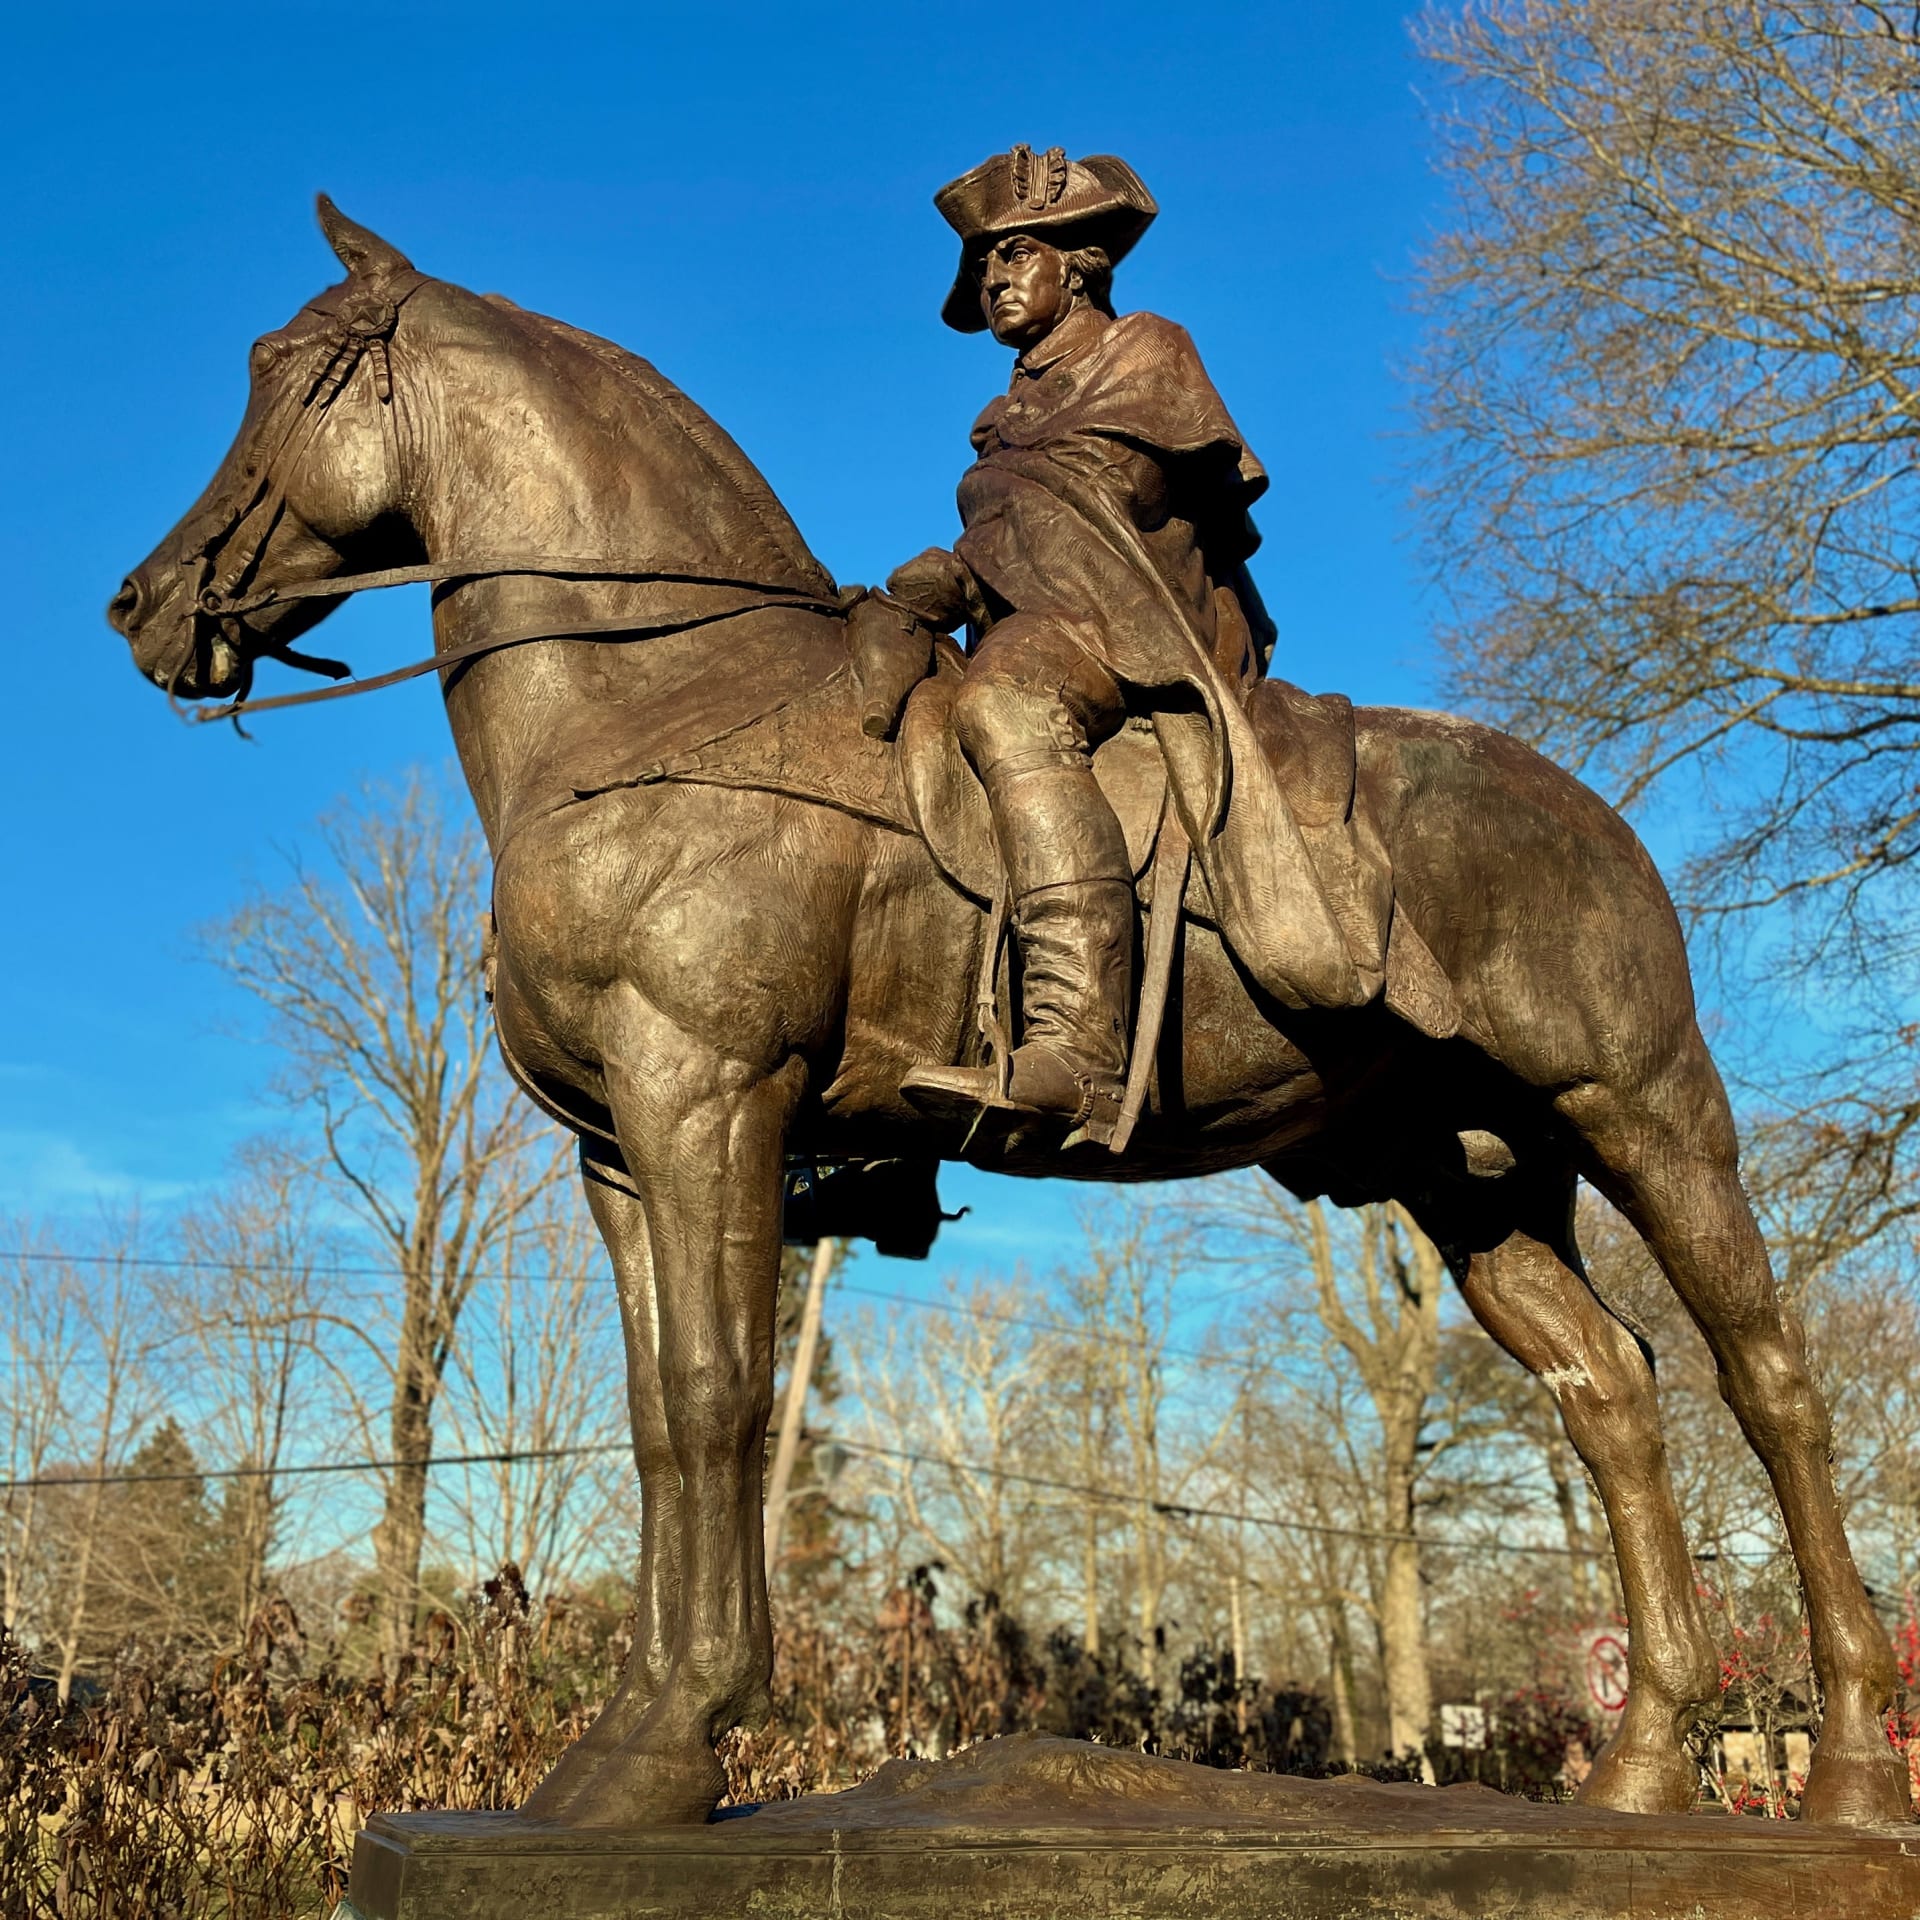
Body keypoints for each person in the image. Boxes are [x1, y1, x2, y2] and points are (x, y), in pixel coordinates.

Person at [891, 146, 1362, 1143]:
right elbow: (1020, 535)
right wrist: (947, 580)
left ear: (1081, 265)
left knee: (1007, 703)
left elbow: (1112, 496)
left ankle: (1078, 1050)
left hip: (1133, 622)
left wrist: (967, 562)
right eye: (984, 267)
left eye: (1014, 255)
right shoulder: (1002, 417)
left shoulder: (1146, 352)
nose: (993, 280)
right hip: (1041, 615)